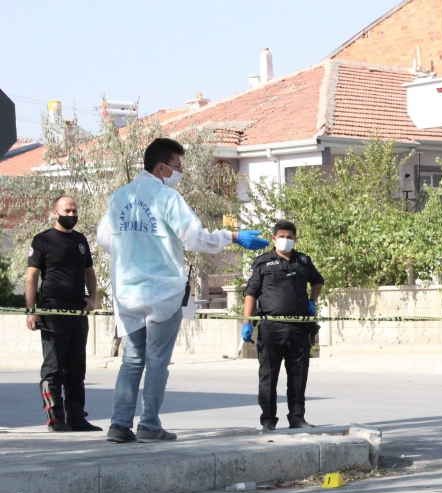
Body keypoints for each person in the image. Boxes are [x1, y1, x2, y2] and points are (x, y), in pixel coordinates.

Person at [97, 138, 269, 443]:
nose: (181, 172)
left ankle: (119, 424)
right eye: (178, 166)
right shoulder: (167, 198)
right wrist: (231, 236)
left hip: (126, 292)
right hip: (162, 291)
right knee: (157, 360)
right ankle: (149, 424)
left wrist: (134, 252)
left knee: (132, 359)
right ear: (161, 168)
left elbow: (104, 240)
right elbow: (194, 238)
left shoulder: (118, 197)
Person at [25, 196, 100, 432]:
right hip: (53, 310)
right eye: (67, 210)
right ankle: (55, 418)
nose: (71, 214)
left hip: (77, 311)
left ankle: (76, 417)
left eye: (74, 210)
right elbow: (31, 277)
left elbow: (90, 273)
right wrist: (31, 311)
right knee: (54, 367)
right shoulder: (42, 240)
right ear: (55, 213)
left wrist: (92, 298)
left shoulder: (80, 240)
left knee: (76, 369)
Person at [242, 220, 324, 431]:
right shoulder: (263, 262)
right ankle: (268, 420)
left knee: (298, 375)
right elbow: (251, 293)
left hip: (299, 327)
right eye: (282, 237)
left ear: (295, 239)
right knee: (268, 375)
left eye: (289, 237)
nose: (286, 240)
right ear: (274, 238)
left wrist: (312, 301)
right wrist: (247, 322)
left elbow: (318, 281)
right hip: (271, 328)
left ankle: (297, 418)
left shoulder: (303, 261)